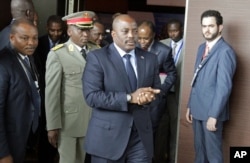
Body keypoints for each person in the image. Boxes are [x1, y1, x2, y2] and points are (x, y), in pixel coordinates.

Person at [82, 14, 161, 163]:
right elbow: (92, 96)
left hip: (140, 137)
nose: (131, 36)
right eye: (125, 31)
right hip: (108, 138)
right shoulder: (97, 58)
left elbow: (156, 90)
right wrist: (130, 97)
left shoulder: (150, 58)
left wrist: (149, 97)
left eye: (135, 31)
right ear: (113, 34)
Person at [45, 11, 99, 163]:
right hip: (69, 121)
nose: (85, 34)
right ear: (69, 31)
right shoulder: (58, 54)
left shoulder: (96, 50)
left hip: (94, 119)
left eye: (88, 29)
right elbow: (52, 93)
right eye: (81, 29)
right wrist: (52, 125)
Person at [186, 10, 237, 163]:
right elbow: (196, 78)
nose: (206, 30)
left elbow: (224, 87)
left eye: (211, 26)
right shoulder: (202, 48)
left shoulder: (225, 51)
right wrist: (190, 105)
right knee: (199, 153)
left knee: (213, 156)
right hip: (197, 109)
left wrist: (213, 115)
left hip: (211, 113)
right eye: (204, 26)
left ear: (220, 27)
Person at [0, 18, 40, 163]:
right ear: (12, 37)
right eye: (25, 38)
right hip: (9, 141)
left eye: (35, 38)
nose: (31, 42)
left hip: (25, 134)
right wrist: (2, 153)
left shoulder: (28, 57)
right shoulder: (3, 63)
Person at [137, 20, 176, 163]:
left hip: (153, 104)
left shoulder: (164, 51)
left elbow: (172, 74)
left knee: (150, 138)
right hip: (134, 101)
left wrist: (162, 91)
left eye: (145, 38)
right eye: (139, 38)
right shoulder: (132, 47)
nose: (142, 42)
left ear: (153, 35)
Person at [35, 15, 67, 163]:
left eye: (59, 31)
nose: (55, 34)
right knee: (44, 136)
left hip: (62, 97)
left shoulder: (68, 44)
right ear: (47, 28)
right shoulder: (38, 43)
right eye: (52, 30)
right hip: (42, 95)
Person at [160, 18, 184, 163]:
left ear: (181, 29)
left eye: (175, 30)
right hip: (162, 93)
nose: (172, 34)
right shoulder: (162, 45)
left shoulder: (190, 46)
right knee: (161, 128)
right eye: (170, 31)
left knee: (176, 130)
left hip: (178, 94)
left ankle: (174, 158)